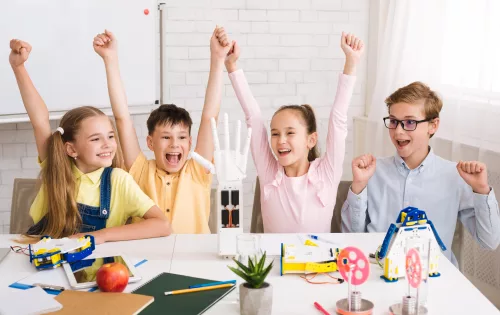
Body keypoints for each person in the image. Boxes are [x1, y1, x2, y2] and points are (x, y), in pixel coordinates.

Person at [9, 39, 171, 244]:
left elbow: (162, 225)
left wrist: (98, 236)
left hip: (97, 270)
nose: (107, 144)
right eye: (95, 138)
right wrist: (18, 67)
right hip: (47, 262)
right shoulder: (56, 166)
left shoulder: (118, 180)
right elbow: (39, 120)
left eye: (111, 136)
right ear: (71, 149)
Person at [341, 81, 500, 263]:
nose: (398, 131)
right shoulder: (372, 172)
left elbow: (490, 241)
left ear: (433, 125)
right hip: (380, 276)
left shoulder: (455, 176)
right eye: (393, 121)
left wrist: (481, 190)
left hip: (434, 280)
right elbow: (351, 238)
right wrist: (358, 187)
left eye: (410, 122)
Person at [94, 27, 232, 233]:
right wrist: (110, 59)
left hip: (192, 261)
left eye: (181, 137)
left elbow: (210, 117)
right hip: (147, 260)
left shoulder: (197, 170)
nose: (175, 144)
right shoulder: (140, 170)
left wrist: (218, 59)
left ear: (190, 143)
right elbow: (122, 119)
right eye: (166, 137)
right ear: (150, 142)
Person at [223, 32, 364, 232]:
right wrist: (231, 66)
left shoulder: (327, 173)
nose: (281, 140)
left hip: (318, 262)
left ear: (311, 140)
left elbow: (338, 118)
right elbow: (253, 118)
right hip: (274, 262)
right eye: (275, 133)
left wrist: (351, 62)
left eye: (290, 133)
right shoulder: (269, 173)